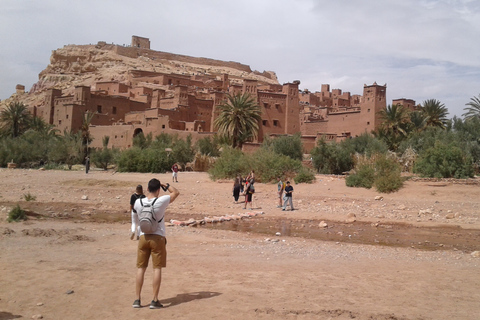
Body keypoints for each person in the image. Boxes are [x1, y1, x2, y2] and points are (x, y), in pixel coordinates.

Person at [132, 178, 180, 309]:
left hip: (143, 237)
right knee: (157, 268)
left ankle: (137, 299)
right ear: (158, 190)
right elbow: (176, 192)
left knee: (141, 268)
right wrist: (167, 186)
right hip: (157, 237)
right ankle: (154, 300)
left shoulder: (138, 202)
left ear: (147, 189)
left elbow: (135, 217)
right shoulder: (161, 200)